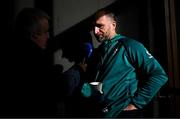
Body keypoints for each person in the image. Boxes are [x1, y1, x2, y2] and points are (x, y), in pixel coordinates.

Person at [80, 8, 168, 118]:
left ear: (113, 25)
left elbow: (159, 75)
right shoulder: (98, 52)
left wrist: (136, 103)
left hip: (122, 114)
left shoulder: (130, 45)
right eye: (94, 27)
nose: (95, 31)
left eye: (100, 26)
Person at [1, 8, 60, 117]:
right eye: (45, 32)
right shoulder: (37, 59)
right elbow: (52, 93)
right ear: (34, 35)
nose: (48, 36)